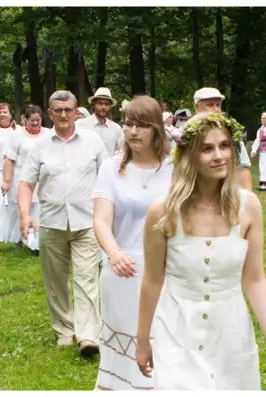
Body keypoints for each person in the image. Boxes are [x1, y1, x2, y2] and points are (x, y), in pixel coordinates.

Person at [135, 112, 266, 389]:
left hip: (230, 332)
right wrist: (142, 341)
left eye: (224, 146)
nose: (219, 155)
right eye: (207, 149)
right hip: (177, 330)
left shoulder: (249, 207)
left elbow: (254, 278)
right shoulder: (162, 211)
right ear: (188, 156)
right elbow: (152, 280)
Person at [92, 95, 172, 390]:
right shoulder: (111, 168)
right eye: (128, 124)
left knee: (161, 343)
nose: (133, 131)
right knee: (123, 349)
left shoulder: (174, 169)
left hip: (166, 272)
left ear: (157, 130)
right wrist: (114, 253)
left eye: (142, 125)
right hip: (121, 270)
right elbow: (100, 220)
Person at [18, 90, 106, 357]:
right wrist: (24, 215)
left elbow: (107, 180)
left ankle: (88, 335)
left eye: (69, 110)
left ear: (76, 111)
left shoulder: (93, 141)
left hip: (87, 222)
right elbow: (26, 184)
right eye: (58, 110)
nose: (64, 114)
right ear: (50, 112)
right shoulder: (39, 146)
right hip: (52, 222)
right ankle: (65, 330)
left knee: (87, 278)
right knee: (55, 282)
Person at [2, 105, 50, 247]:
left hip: (41, 179)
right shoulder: (16, 135)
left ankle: (35, 242)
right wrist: (6, 181)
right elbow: (9, 159)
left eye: (38, 120)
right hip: (21, 178)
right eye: (32, 120)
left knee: (39, 209)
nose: (35, 123)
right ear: (25, 120)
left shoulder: (48, 134)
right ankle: (19, 240)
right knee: (22, 209)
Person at [0, 103, 22, 243]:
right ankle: (0, 236)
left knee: (15, 203)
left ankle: (17, 237)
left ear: (10, 114)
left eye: (4, 111)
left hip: (15, 171)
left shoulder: (18, 130)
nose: (2, 114)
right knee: (0, 204)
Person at [77, 87, 123, 156]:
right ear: (93, 105)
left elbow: (120, 153)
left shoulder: (116, 129)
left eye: (107, 104)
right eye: (100, 103)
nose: (103, 107)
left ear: (110, 106)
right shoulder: (80, 125)